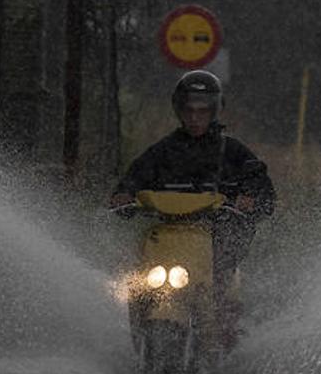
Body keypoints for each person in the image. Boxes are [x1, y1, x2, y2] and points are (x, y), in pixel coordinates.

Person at [109, 69, 275, 348]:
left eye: (203, 110)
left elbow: (264, 192)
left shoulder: (234, 152)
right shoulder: (162, 151)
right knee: (136, 283)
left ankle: (226, 343)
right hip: (165, 238)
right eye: (189, 110)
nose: (195, 117)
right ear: (179, 110)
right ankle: (140, 325)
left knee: (224, 289)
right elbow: (132, 180)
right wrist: (123, 196)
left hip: (214, 238)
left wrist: (251, 199)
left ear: (215, 111)